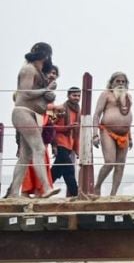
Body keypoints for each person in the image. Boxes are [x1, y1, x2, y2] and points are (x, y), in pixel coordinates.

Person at [6, 43, 60, 198]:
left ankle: (13, 192)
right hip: (24, 112)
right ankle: (45, 188)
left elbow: (40, 96)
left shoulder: (38, 72)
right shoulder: (28, 69)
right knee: (39, 149)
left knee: (25, 156)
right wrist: (46, 90)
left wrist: (48, 93)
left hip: (33, 114)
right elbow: (26, 92)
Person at [93, 72, 133, 196]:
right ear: (111, 83)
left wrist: (130, 137)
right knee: (110, 162)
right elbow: (97, 115)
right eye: (118, 81)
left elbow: (128, 117)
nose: (120, 84)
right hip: (107, 131)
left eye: (123, 81)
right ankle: (97, 186)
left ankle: (113, 194)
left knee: (120, 165)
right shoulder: (106, 95)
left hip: (124, 134)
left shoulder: (128, 97)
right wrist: (95, 134)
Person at [51, 85, 81, 197]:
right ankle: (76, 194)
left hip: (69, 145)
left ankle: (42, 189)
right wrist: (67, 127)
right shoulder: (59, 108)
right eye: (74, 95)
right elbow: (50, 126)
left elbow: (76, 133)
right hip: (59, 142)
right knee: (69, 169)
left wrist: (77, 150)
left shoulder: (79, 111)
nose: (76, 98)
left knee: (56, 171)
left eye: (78, 96)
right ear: (68, 96)